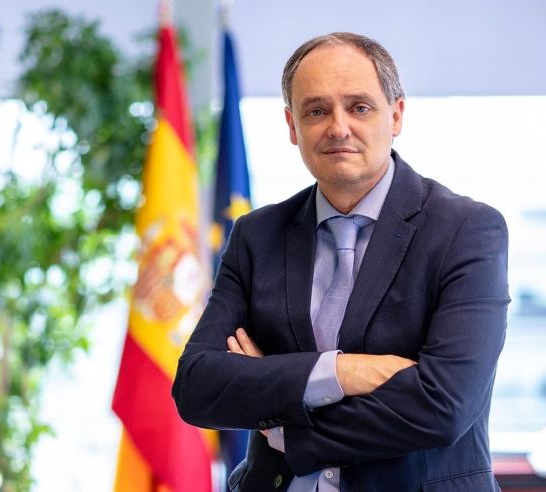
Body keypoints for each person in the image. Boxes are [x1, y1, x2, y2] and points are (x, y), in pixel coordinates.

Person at [172, 32, 509, 492]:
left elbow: (443, 406)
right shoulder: (256, 235)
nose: (337, 127)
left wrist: (284, 424)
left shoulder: (466, 230)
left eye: (359, 107)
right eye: (316, 111)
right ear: (292, 126)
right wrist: (341, 372)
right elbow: (197, 388)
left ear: (396, 114)